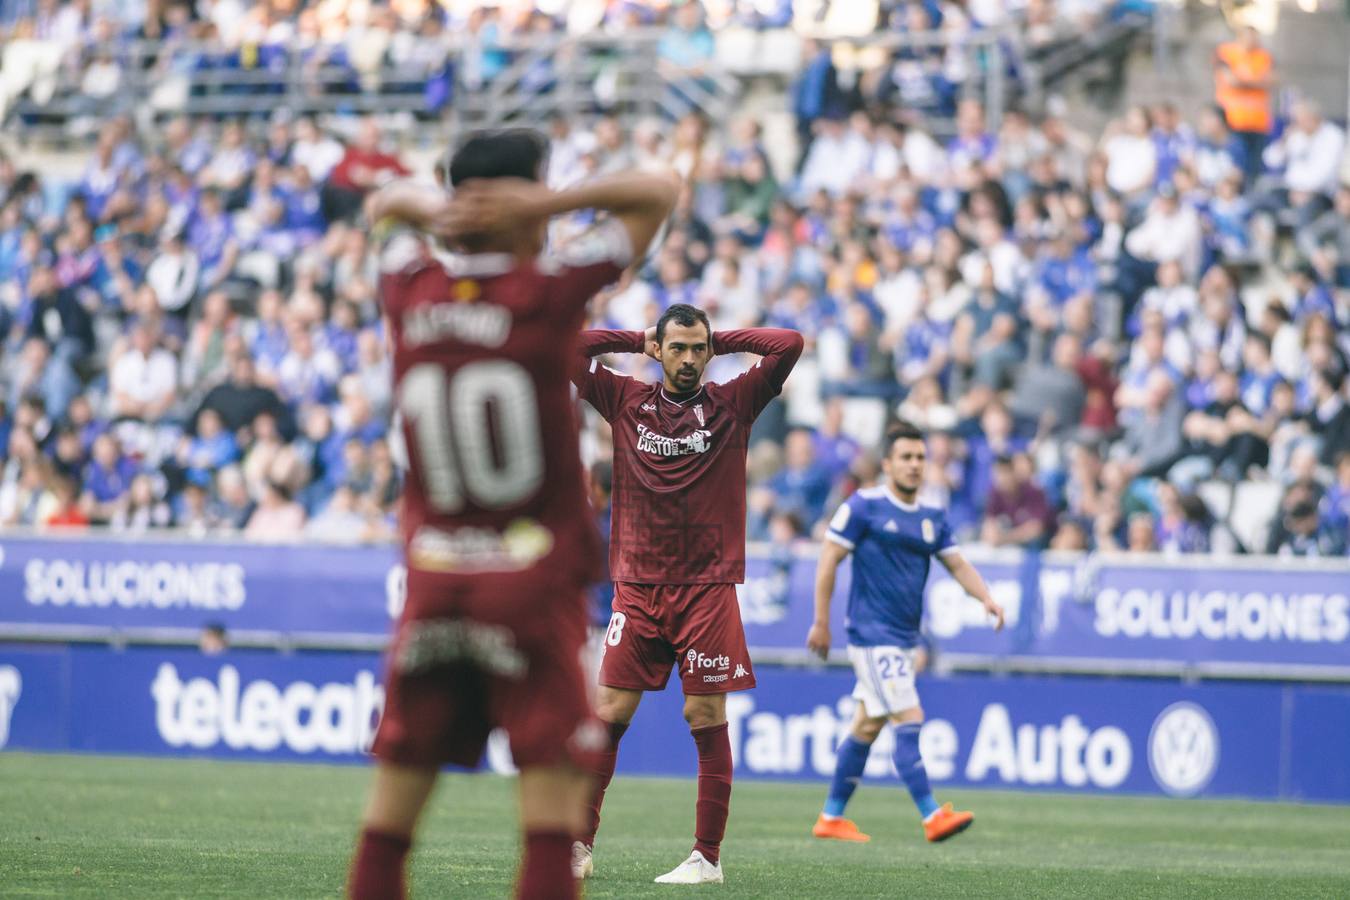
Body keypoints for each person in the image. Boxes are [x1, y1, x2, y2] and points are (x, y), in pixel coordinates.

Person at [346, 131, 678, 900]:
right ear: (529, 196)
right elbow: (658, 189)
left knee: (388, 823)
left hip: (433, 579)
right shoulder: (550, 287)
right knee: (550, 819)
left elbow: (385, 206)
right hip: (531, 583)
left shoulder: (410, 286)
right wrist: (552, 204)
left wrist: (444, 209)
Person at [571, 304, 803, 885]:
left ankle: (707, 857)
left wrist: (720, 340)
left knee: (705, 714)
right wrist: (636, 338)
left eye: (699, 349)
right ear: (660, 350)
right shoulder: (626, 401)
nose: (690, 359)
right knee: (608, 715)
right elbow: (568, 348)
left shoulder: (732, 404)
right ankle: (576, 846)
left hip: (706, 589)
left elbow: (789, 343)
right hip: (638, 587)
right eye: (678, 348)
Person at [807, 422, 1004, 844]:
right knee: (909, 716)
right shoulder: (863, 507)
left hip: (901, 637)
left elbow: (957, 564)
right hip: (871, 635)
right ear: (887, 464)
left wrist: (986, 598)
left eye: (920, 458)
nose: (915, 465)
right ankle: (932, 815)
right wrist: (820, 621)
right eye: (906, 458)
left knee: (865, 727)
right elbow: (828, 560)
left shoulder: (932, 518)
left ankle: (831, 817)